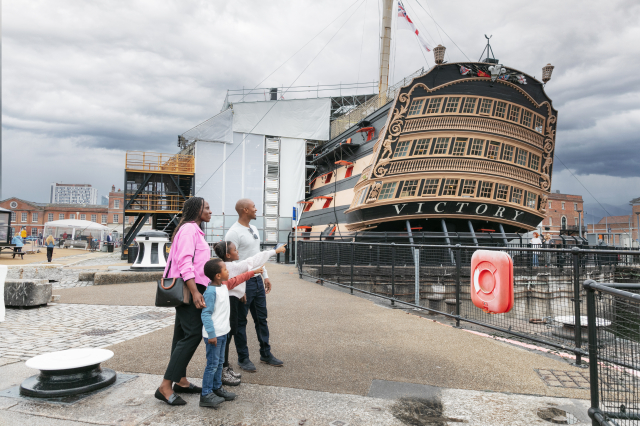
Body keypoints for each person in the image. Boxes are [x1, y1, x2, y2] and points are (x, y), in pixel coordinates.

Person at [155, 197, 212, 407]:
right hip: (190, 290)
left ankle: (180, 380)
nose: (210, 211)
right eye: (206, 208)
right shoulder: (189, 230)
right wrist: (195, 291)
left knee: (181, 335)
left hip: (189, 289)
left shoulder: (191, 230)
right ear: (197, 210)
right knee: (194, 334)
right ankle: (165, 386)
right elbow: (185, 261)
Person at [213, 240, 287, 385]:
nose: (238, 251)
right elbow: (252, 261)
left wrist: (242, 289)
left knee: (228, 335)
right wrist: (275, 251)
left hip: (234, 298)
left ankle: (224, 367)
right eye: (235, 250)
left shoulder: (228, 265)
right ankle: (222, 369)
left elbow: (234, 280)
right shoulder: (231, 266)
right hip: (231, 302)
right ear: (228, 254)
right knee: (227, 336)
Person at [225, 198, 282, 372]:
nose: (256, 209)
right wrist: (238, 288)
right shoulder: (233, 233)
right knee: (241, 322)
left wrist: (265, 275)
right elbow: (229, 263)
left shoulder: (254, 229)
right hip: (244, 282)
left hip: (257, 281)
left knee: (261, 319)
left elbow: (256, 256)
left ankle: (266, 354)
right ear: (244, 210)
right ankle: (243, 359)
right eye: (253, 207)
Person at [199, 258, 262, 408]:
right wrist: (211, 334)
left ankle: (217, 388)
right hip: (213, 335)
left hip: (223, 332)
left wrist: (253, 272)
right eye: (225, 269)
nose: (228, 271)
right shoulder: (210, 292)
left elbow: (238, 279)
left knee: (219, 363)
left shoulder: (224, 285)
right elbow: (205, 314)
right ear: (218, 275)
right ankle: (205, 394)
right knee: (212, 365)